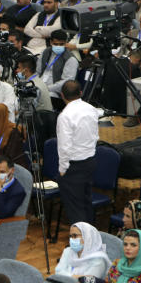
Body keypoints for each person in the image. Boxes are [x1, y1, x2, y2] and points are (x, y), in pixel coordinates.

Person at [55, 80, 98, 226]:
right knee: (86, 203)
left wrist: (62, 169)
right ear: (80, 93)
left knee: (75, 208)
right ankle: (90, 240)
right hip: (90, 162)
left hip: (73, 167)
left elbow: (64, 146)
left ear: (62, 95)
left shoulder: (65, 116)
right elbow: (95, 135)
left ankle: (82, 243)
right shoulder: (92, 109)